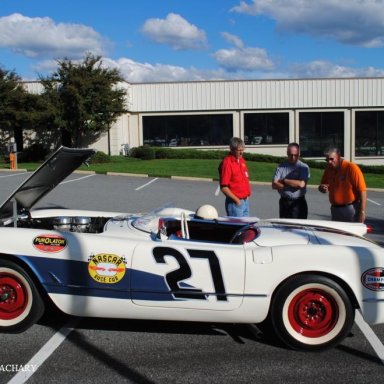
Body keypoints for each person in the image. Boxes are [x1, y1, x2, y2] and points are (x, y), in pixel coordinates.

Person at [318, 147, 367, 223]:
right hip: (335, 209)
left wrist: (362, 212)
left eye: (331, 159)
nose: (329, 162)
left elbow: (362, 191)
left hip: (350, 209)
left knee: (350, 234)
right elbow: (322, 185)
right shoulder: (328, 169)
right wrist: (322, 188)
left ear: (339, 156)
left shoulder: (351, 168)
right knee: (337, 234)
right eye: (327, 160)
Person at [272, 142, 310, 219]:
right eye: (290, 155)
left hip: (298, 203)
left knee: (298, 228)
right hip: (284, 202)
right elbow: (274, 184)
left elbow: (301, 184)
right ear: (287, 153)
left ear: (299, 154)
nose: (293, 157)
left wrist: (284, 181)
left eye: (295, 155)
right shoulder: (281, 167)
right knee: (284, 227)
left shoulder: (304, 167)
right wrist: (292, 183)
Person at [219, 137, 251, 217]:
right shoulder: (227, 163)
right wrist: (237, 200)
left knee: (245, 228)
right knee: (237, 228)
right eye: (239, 150)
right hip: (235, 203)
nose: (241, 153)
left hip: (245, 201)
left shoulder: (242, 161)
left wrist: (246, 197)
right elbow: (224, 187)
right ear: (231, 149)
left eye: (242, 150)